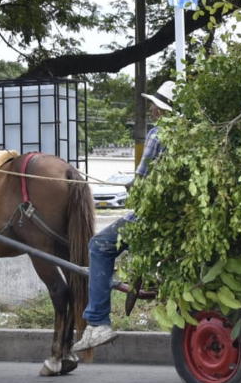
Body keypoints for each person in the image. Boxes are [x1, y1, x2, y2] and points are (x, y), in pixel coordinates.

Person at [72, 81, 175, 352]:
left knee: (98, 245)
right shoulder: (186, 135)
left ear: (161, 110)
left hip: (153, 216)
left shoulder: (158, 134)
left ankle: (98, 321)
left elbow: (141, 181)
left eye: (155, 105)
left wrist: (132, 185)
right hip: (174, 215)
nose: (152, 109)